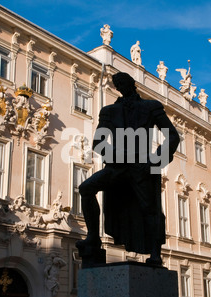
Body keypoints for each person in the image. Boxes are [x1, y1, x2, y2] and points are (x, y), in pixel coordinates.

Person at [76, 72, 179, 267]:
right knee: (86, 188)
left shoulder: (151, 107)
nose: (121, 86)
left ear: (132, 84)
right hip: (117, 166)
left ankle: (155, 253)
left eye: (123, 82)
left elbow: (172, 136)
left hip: (142, 167)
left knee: (151, 209)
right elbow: (99, 142)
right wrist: (115, 155)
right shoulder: (109, 111)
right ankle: (93, 238)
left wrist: (156, 160)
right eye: (117, 84)